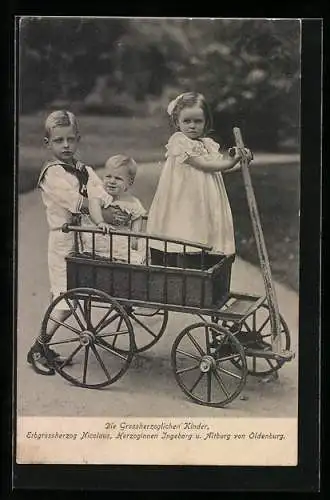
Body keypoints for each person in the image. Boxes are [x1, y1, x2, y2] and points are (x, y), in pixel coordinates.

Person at [26, 111, 130, 375]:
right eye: (59, 140)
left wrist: (116, 208)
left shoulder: (84, 170)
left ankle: (44, 344)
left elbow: (100, 193)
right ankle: (38, 348)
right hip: (63, 242)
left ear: (78, 140)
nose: (65, 146)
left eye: (70, 139)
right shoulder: (52, 175)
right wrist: (103, 214)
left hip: (83, 240)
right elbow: (75, 202)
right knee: (65, 300)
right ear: (47, 143)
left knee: (69, 296)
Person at [147, 92, 253, 269]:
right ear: (177, 123)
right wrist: (231, 161)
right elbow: (205, 165)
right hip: (186, 198)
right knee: (187, 227)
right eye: (186, 121)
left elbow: (219, 167)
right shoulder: (179, 142)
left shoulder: (207, 144)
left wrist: (242, 162)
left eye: (198, 121)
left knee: (206, 228)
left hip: (207, 198)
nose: (192, 126)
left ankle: (203, 264)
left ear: (206, 122)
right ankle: (186, 262)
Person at [83, 154, 147, 264]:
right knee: (102, 242)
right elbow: (94, 204)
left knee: (142, 245)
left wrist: (134, 236)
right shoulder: (102, 196)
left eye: (118, 178)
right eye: (108, 176)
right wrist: (100, 222)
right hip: (102, 234)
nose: (112, 181)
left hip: (121, 238)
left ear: (129, 182)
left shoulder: (133, 202)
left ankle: (124, 262)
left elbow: (137, 218)